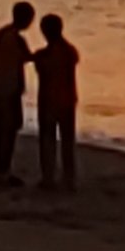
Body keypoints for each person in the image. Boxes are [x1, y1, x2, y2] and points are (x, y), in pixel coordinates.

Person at [0, 2, 36, 182]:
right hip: (9, 89)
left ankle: (1, 169)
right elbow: (28, 57)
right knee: (9, 129)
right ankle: (4, 169)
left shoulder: (0, 35)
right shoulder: (15, 39)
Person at [33, 12, 81, 191]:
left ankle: (49, 177)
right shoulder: (70, 51)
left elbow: (43, 71)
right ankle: (68, 178)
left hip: (50, 99)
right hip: (68, 99)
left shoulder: (46, 55)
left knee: (48, 140)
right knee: (67, 140)